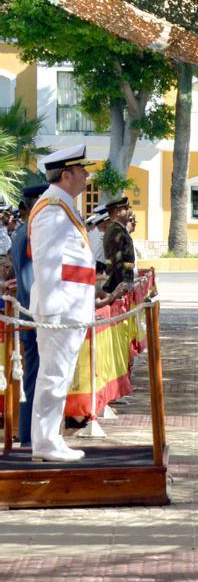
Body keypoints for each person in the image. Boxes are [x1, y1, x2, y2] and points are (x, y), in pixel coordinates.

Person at [29, 146, 122, 462]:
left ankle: (50, 439)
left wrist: (89, 292)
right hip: (60, 312)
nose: (86, 175)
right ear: (65, 175)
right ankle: (45, 442)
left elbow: (73, 266)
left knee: (59, 376)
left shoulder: (63, 208)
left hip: (70, 308)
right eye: (81, 170)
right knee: (54, 377)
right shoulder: (52, 211)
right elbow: (47, 266)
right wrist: (55, 313)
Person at [11, 183, 48, 447]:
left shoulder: (27, 232)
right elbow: (28, 280)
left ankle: (31, 436)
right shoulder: (29, 233)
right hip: (34, 317)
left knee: (35, 377)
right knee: (35, 378)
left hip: (30, 315)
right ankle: (28, 438)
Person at [101, 196, 138, 294]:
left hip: (122, 279)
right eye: (125, 209)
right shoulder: (115, 230)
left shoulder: (119, 229)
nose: (128, 211)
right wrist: (123, 284)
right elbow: (117, 260)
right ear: (117, 212)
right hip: (116, 282)